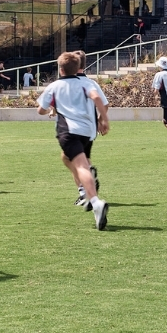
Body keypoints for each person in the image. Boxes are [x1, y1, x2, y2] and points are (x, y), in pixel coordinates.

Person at [38, 50, 111, 230]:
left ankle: (94, 201)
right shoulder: (86, 83)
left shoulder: (55, 86)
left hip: (69, 131)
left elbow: (40, 110)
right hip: (87, 131)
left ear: (60, 69)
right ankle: (88, 185)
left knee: (81, 166)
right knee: (66, 157)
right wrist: (104, 120)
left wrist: (49, 110)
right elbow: (97, 98)